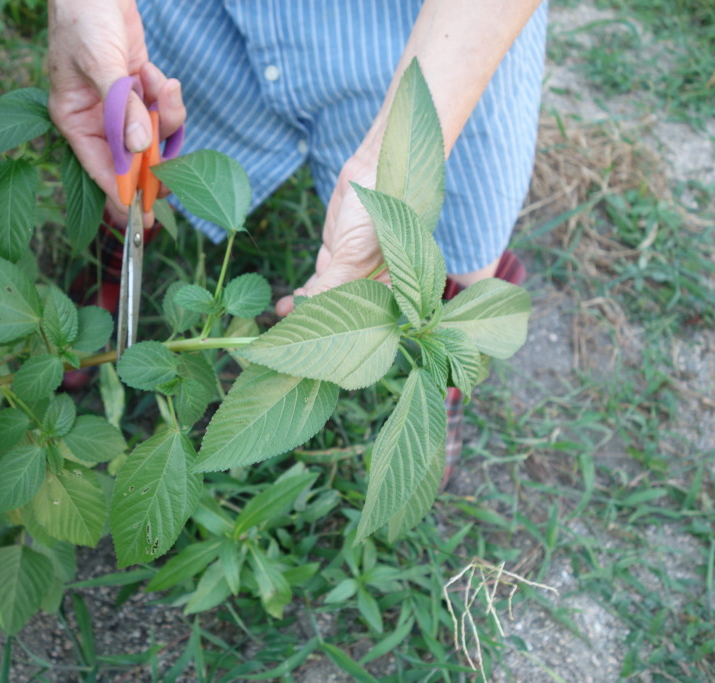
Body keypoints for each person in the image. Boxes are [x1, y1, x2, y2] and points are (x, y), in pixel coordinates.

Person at [48, 0, 547, 483]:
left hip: (446, 33)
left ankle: (447, 355)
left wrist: (390, 171)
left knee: (457, 200)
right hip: (224, 19)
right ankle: (114, 255)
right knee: (145, 120)